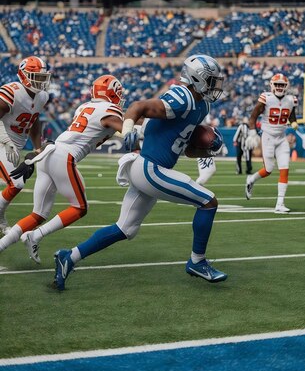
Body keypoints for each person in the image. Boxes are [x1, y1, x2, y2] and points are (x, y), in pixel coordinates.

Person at [53, 54, 227, 290]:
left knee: (125, 228)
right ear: (196, 77)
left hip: (151, 169)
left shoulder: (202, 104)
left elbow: (185, 148)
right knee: (208, 201)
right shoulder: (182, 96)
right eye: (211, 80)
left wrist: (206, 149)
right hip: (151, 168)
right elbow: (139, 107)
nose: (215, 85)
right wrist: (127, 128)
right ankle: (197, 261)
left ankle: (69, 257)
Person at [0, 75, 132, 261]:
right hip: (64, 157)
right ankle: (35, 236)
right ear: (113, 93)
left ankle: (2, 244)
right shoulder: (110, 110)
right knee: (80, 208)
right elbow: (121, 128)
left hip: (49, 154)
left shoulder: (85, 106)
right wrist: (130, 132)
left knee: (39, 214)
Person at [0, 56, 51, 235]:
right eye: (35, 76)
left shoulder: (42, 96)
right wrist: (6, 141)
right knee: (16, 184)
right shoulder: (13, 91)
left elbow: (34, 120)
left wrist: (38, 148)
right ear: (23, 76)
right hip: (2, 142)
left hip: (15, 145)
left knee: (16, 183)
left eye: (42, 77)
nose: (40, 81)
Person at [245, 73, 298, 214]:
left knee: (284, 168)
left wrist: (293, 122)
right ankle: (251, 179)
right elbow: (253, 116)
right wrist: (252, 132)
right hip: (268, 136)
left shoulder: (291, 100)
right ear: (272, 85)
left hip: (281, 138)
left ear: (287, 86)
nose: (280, 87)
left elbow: (291, 114)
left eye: (282, 85)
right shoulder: (266, 98)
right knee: (268, 170)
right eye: (277, 84)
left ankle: (280, 203)